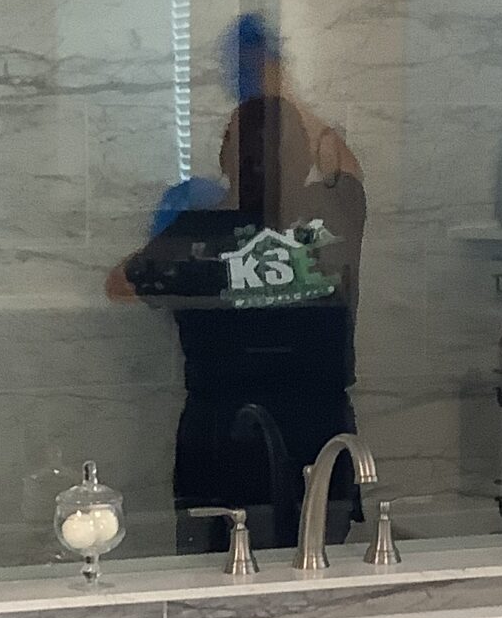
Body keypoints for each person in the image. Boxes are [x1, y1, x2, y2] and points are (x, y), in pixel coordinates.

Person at [108, 89, 367, 550]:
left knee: (216, 577)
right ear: (303, 157)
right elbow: (342, 158)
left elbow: (118, 286)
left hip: (220, 437)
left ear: (225, 161)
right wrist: (282, 88)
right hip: (317, 431)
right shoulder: (333, 213)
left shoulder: (194, 235)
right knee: (318, 571)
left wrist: (187, 266)